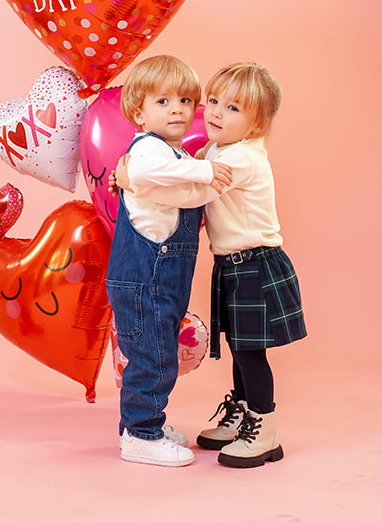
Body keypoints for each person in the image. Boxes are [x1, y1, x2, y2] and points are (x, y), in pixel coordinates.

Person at [115, 62, 307, 468]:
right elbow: (181, 171)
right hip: (232, 264)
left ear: (258, 124)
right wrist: (135, 177)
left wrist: (132, 181)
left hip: (255, 263)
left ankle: (264, 428)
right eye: (215, 101)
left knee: (250, 353)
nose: (216, 112)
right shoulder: (214, 151)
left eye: (233, 108)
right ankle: (243, 413)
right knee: (240, 348)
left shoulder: (242, 159)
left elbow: (193, 191)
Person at [106, 55, 232, 467]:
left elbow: (189, 195)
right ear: (138, 112)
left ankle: (147, 425)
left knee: (160, 354)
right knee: (152, 359)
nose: (176, 109)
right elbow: (145, 174)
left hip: (163, 281)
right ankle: (140, 435)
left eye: (185, 100)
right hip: (144, 278)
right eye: (162, 101)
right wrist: (206, 171)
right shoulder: (147, 152)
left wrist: (208, 181)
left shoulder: (174, 158)